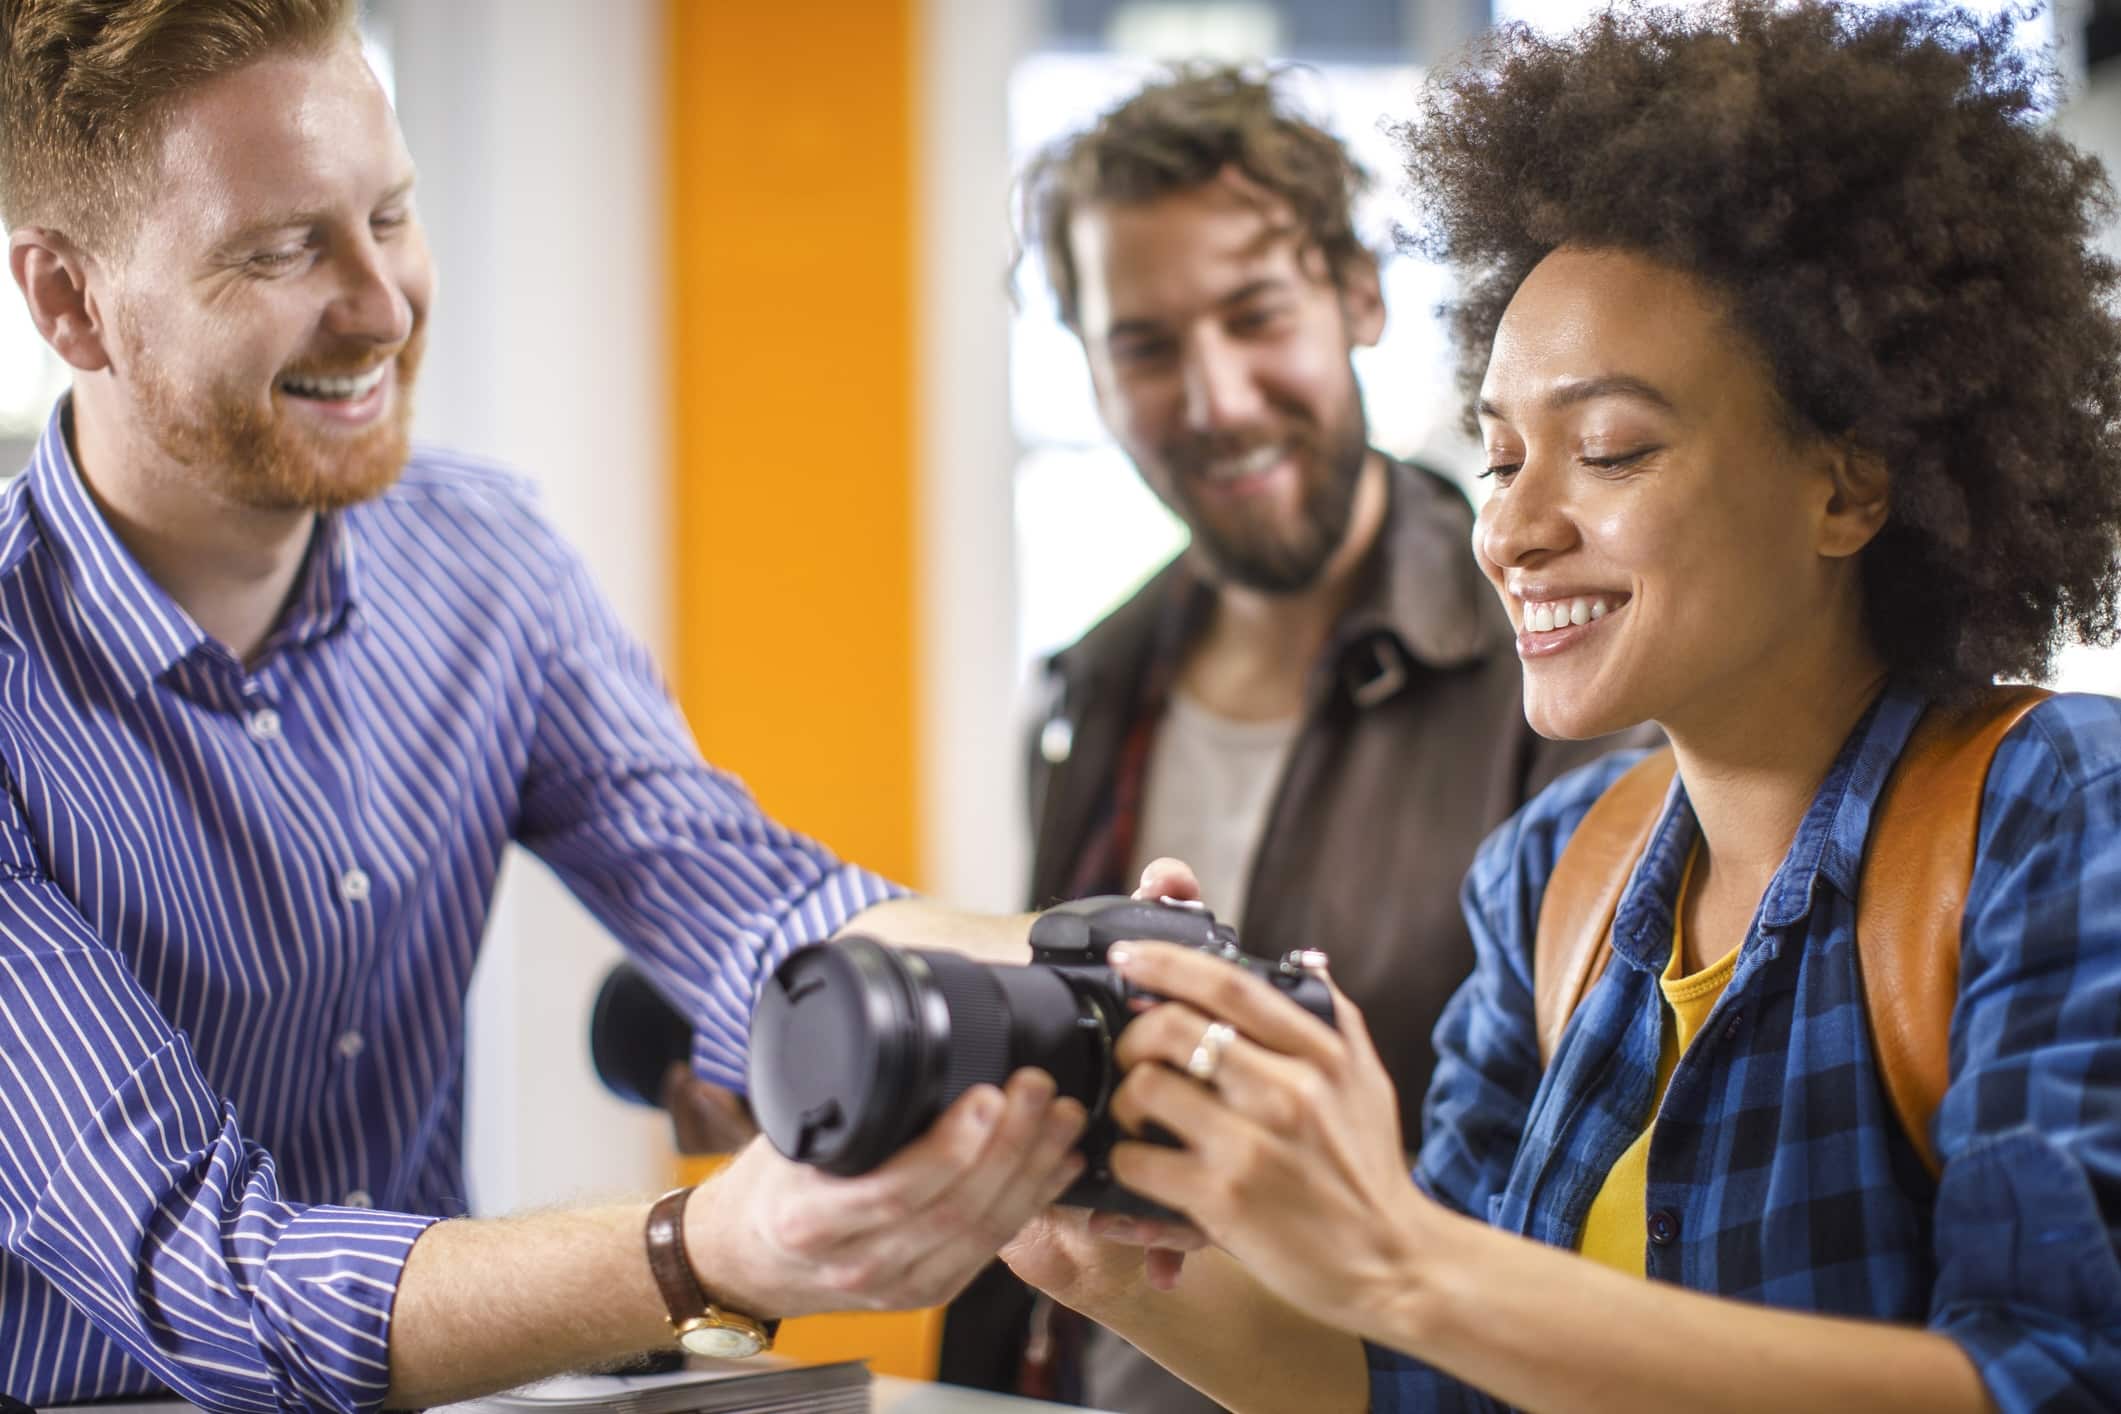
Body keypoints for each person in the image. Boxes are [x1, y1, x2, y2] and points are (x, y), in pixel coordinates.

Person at [997, 3, 2121, 1410]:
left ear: (1844, 486)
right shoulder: (1555, 872)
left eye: (1606, 449)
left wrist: (1396, 1254)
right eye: (1500, 454)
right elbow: (1423, 1380)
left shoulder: (2059, 818)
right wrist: (1090, 1247)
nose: (1511, 530)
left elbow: (2051, 1380)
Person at [0, 2, 1072, 1408]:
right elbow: (212, 1280)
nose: (381, 304)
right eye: (277, 250)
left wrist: (1099, 980)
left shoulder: (485, 561)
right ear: (71, 302)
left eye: (389, 214)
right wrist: (710, 1248)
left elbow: (750, 902)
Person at [942, 66, 1645, 1409]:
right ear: (1088, 369)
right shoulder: (1089, 691)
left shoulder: (1556, 660)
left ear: (1356, 298)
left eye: (1253, 315)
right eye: (1144, 344)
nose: (1213, 396)